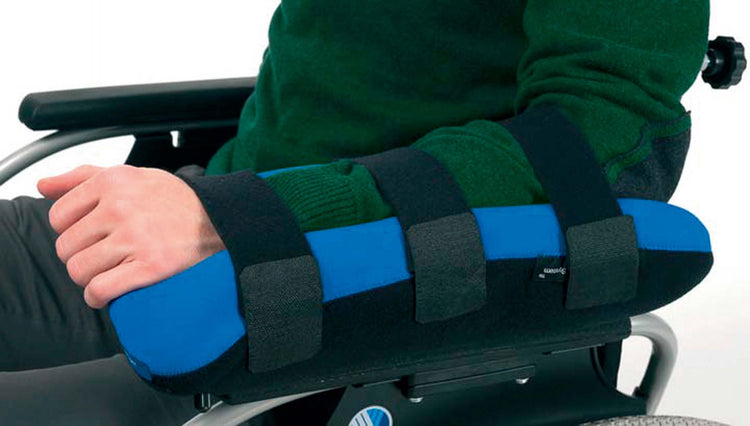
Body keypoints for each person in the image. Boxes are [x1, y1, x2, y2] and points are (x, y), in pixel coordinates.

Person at [0, 0, 710, 424]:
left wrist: (235, 218)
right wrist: (211, 203)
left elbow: (606, 141)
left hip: (340, 297)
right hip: (209, 201)